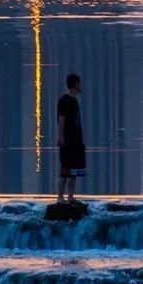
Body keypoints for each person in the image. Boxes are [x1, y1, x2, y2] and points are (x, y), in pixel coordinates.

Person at [56, 73, 86, 203]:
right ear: (75, 84)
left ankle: (71, 197)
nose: (80, 85)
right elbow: (61, 120)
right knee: (65, 171)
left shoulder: (74, 101)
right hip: (68, 141)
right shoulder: (64, 101)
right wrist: (61, 137)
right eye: (79, 83)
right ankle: (60, 197)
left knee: (74, 171)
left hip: (77, 141)